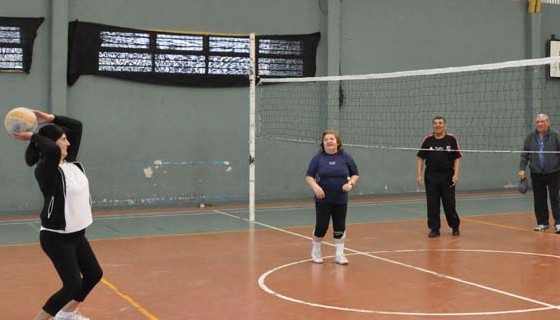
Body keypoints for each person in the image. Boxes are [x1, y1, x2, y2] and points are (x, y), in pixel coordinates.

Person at [10, 110, 102, 320]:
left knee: (94, 275)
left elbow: (77, 125)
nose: (68, 143)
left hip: (77, 235)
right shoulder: (45, 169)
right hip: (56, 238)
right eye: (63, 139)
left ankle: (66, 315)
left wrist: (50, 118)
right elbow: (50, 150)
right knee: (72, 286)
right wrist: (32, 136)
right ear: (50, 143)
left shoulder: (70, 163)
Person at [305, 130, 359, 265]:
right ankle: (316, 250)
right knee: (321, 227)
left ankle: (339, 254)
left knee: (339, 227)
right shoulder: (318, 158)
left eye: (331, 139)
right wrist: (316, 187)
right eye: (326, 140)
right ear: (323, 144)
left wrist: (350, 184)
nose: (328, 141)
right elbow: (309, 176)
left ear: (337, 142)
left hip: (340, 198)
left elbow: (355, 174)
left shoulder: (345, 157)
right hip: (323, 199)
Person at [416, 116, 462, 238]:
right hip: (431, 176)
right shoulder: (428, 140)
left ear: (445, 125)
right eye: (435, 123)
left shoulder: (451, 139)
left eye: (440, 123)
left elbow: (457, 158)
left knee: (449, 204)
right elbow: (420, 157)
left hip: (447, 176)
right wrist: (419, 174)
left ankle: (455, 226)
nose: (438, 125)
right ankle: (434, 229)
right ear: (433, 125)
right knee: (432, 205)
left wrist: (456, 175)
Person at [519, 113, 560, 233]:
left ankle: (558, 222)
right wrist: (522, 168)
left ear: (548, 123)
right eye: (537, 122)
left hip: (554, 172)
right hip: (536, 173)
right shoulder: (530, 138)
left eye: (542, 121)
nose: (539, 124)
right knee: (539, 199)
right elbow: (524, 154)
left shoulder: (555, 136)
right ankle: (542, 223)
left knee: (555, 198)